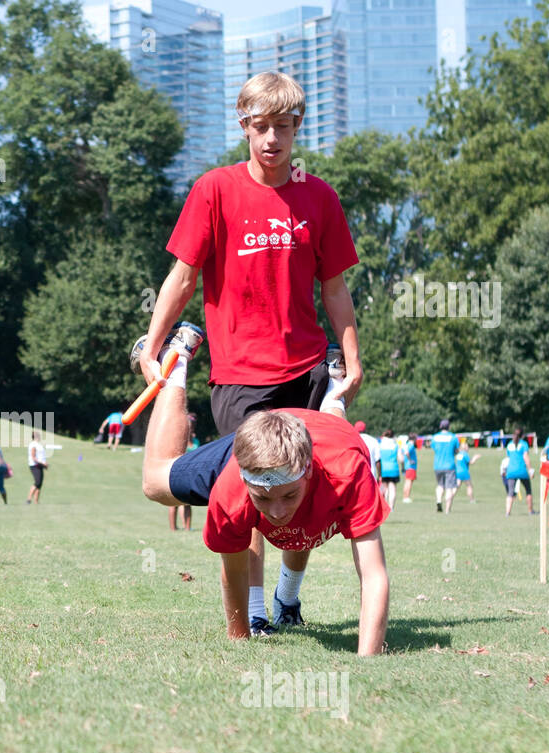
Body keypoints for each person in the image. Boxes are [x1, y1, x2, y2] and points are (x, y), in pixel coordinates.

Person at [134, 71, 364, 633]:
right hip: (240, 377)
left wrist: (352, 358)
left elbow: (334, 287)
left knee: (303, 490)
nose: (272, 139)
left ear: (297, 128)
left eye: (283, 127)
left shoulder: (319, 196)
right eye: (260, 127)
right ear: (243, 126)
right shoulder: (214, 189)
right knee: (253, 493)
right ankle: (255, 614)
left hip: (307, 369)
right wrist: (155, 340)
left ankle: (289, 596)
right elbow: (183, 275)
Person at [139, 377, 389, 653]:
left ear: (307, 472)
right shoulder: (230, 491)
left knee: (334, 426)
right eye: (263, 498)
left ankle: (334, 392)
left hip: (333, 438)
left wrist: (368, 662)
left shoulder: (348, 472)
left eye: (289, 495)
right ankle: (177, 365)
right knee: (153, 484)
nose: (277, 512)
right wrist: (240, 642)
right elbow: (234, 573)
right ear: (246, 484)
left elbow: (373, 574)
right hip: (260, 442)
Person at [168, 414, 201, 531]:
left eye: (191, 427)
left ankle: (188, 528)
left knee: (188, 503)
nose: (189, 429)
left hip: (190, 474)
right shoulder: (177, 440)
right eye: (187, 427)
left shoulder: (196, 441)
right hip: (177, 473)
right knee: (173, 502)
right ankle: (173, 528)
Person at [504, 427, 535, 516]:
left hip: (511, 471)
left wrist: (505, 470)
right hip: (522, 471)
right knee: (528, 491)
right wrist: (530, 470)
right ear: (522, 435)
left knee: (510, 492)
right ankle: (530, 511)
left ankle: (507, 512)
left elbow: (508, 458)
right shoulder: (524, 444)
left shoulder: (509, 444)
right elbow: (526, 458)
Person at [431, 419, 457, 513]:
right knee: (449, 488)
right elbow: (456, 450)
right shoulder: (453, 437)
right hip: (449, 465)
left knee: (440, 485)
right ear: (448, 427)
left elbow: (434, 448)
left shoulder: (435, 437)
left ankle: (438, 500)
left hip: (437, 465)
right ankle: (447, 509)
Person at [451, 440, 481, 507]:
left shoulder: (459, 454)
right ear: (464, 448)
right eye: (467, 446)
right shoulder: (465, 454)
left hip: (457, 472)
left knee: (457, 486)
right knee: (469, 486)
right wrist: (475, 458)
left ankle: (450, 497)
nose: (468, 448)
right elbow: (470, 462)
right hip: (464, 472)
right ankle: (472, 500)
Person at [377, 428, 400, 508]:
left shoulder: (381, 445)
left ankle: (384, 506)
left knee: (384, 488)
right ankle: (391, 507)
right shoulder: (395, 445)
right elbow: (401, 458)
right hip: (394, 469)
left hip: (383, 469)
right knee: (392, 488)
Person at [27, 430, 48, 504]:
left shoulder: (39, 445)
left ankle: (36, 501)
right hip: (35, 465)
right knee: (37, 482)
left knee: (40, 484)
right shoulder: (33, 445)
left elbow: (41, 456)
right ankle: (29, 499)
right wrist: (43, 463)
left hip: (40, 465)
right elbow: (33, 457)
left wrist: (45, 463)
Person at [400, 433, 419, 503]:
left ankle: (405, 497)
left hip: (407, 466)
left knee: (407, 482)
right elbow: (406, 453)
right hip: (411, 466)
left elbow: (402, 451)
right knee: (409, 482)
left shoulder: (406, 445)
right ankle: (406, 497)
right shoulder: (411, 445)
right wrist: (410, 460)